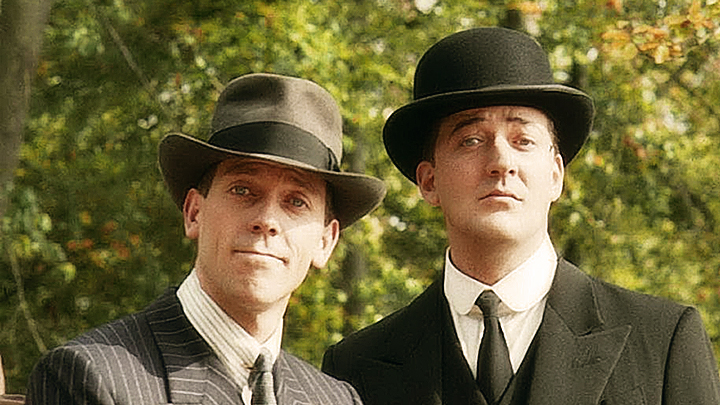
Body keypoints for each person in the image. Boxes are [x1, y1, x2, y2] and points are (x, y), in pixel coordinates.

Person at [322, 27, 720, 405]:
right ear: (429, 181)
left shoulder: (662, 340)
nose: (501, 161)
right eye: (471, 140)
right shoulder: (354, 368)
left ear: (555, 175)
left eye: (523, 140)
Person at [26, 73, 386, 405]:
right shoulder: (90, 377)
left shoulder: (336, 399)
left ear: (325, 241)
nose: (266, 220)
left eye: (296, 201)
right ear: (194, 212)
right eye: (243, 190)